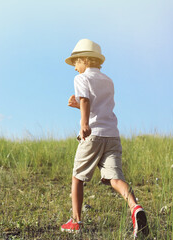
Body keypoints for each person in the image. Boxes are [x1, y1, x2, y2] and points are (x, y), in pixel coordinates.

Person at [60, 39, 149, 238]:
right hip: (112, 135)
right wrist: (80, 109)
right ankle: (135, 208)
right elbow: (99, 106)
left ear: (84, 60)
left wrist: (84, 124)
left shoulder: (81, 79)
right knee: (115, 178)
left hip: (93, 135)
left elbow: (85, 100)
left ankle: (75, 221)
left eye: (76, 62)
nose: (75, 67)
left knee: (78, 177)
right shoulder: (108, 80)